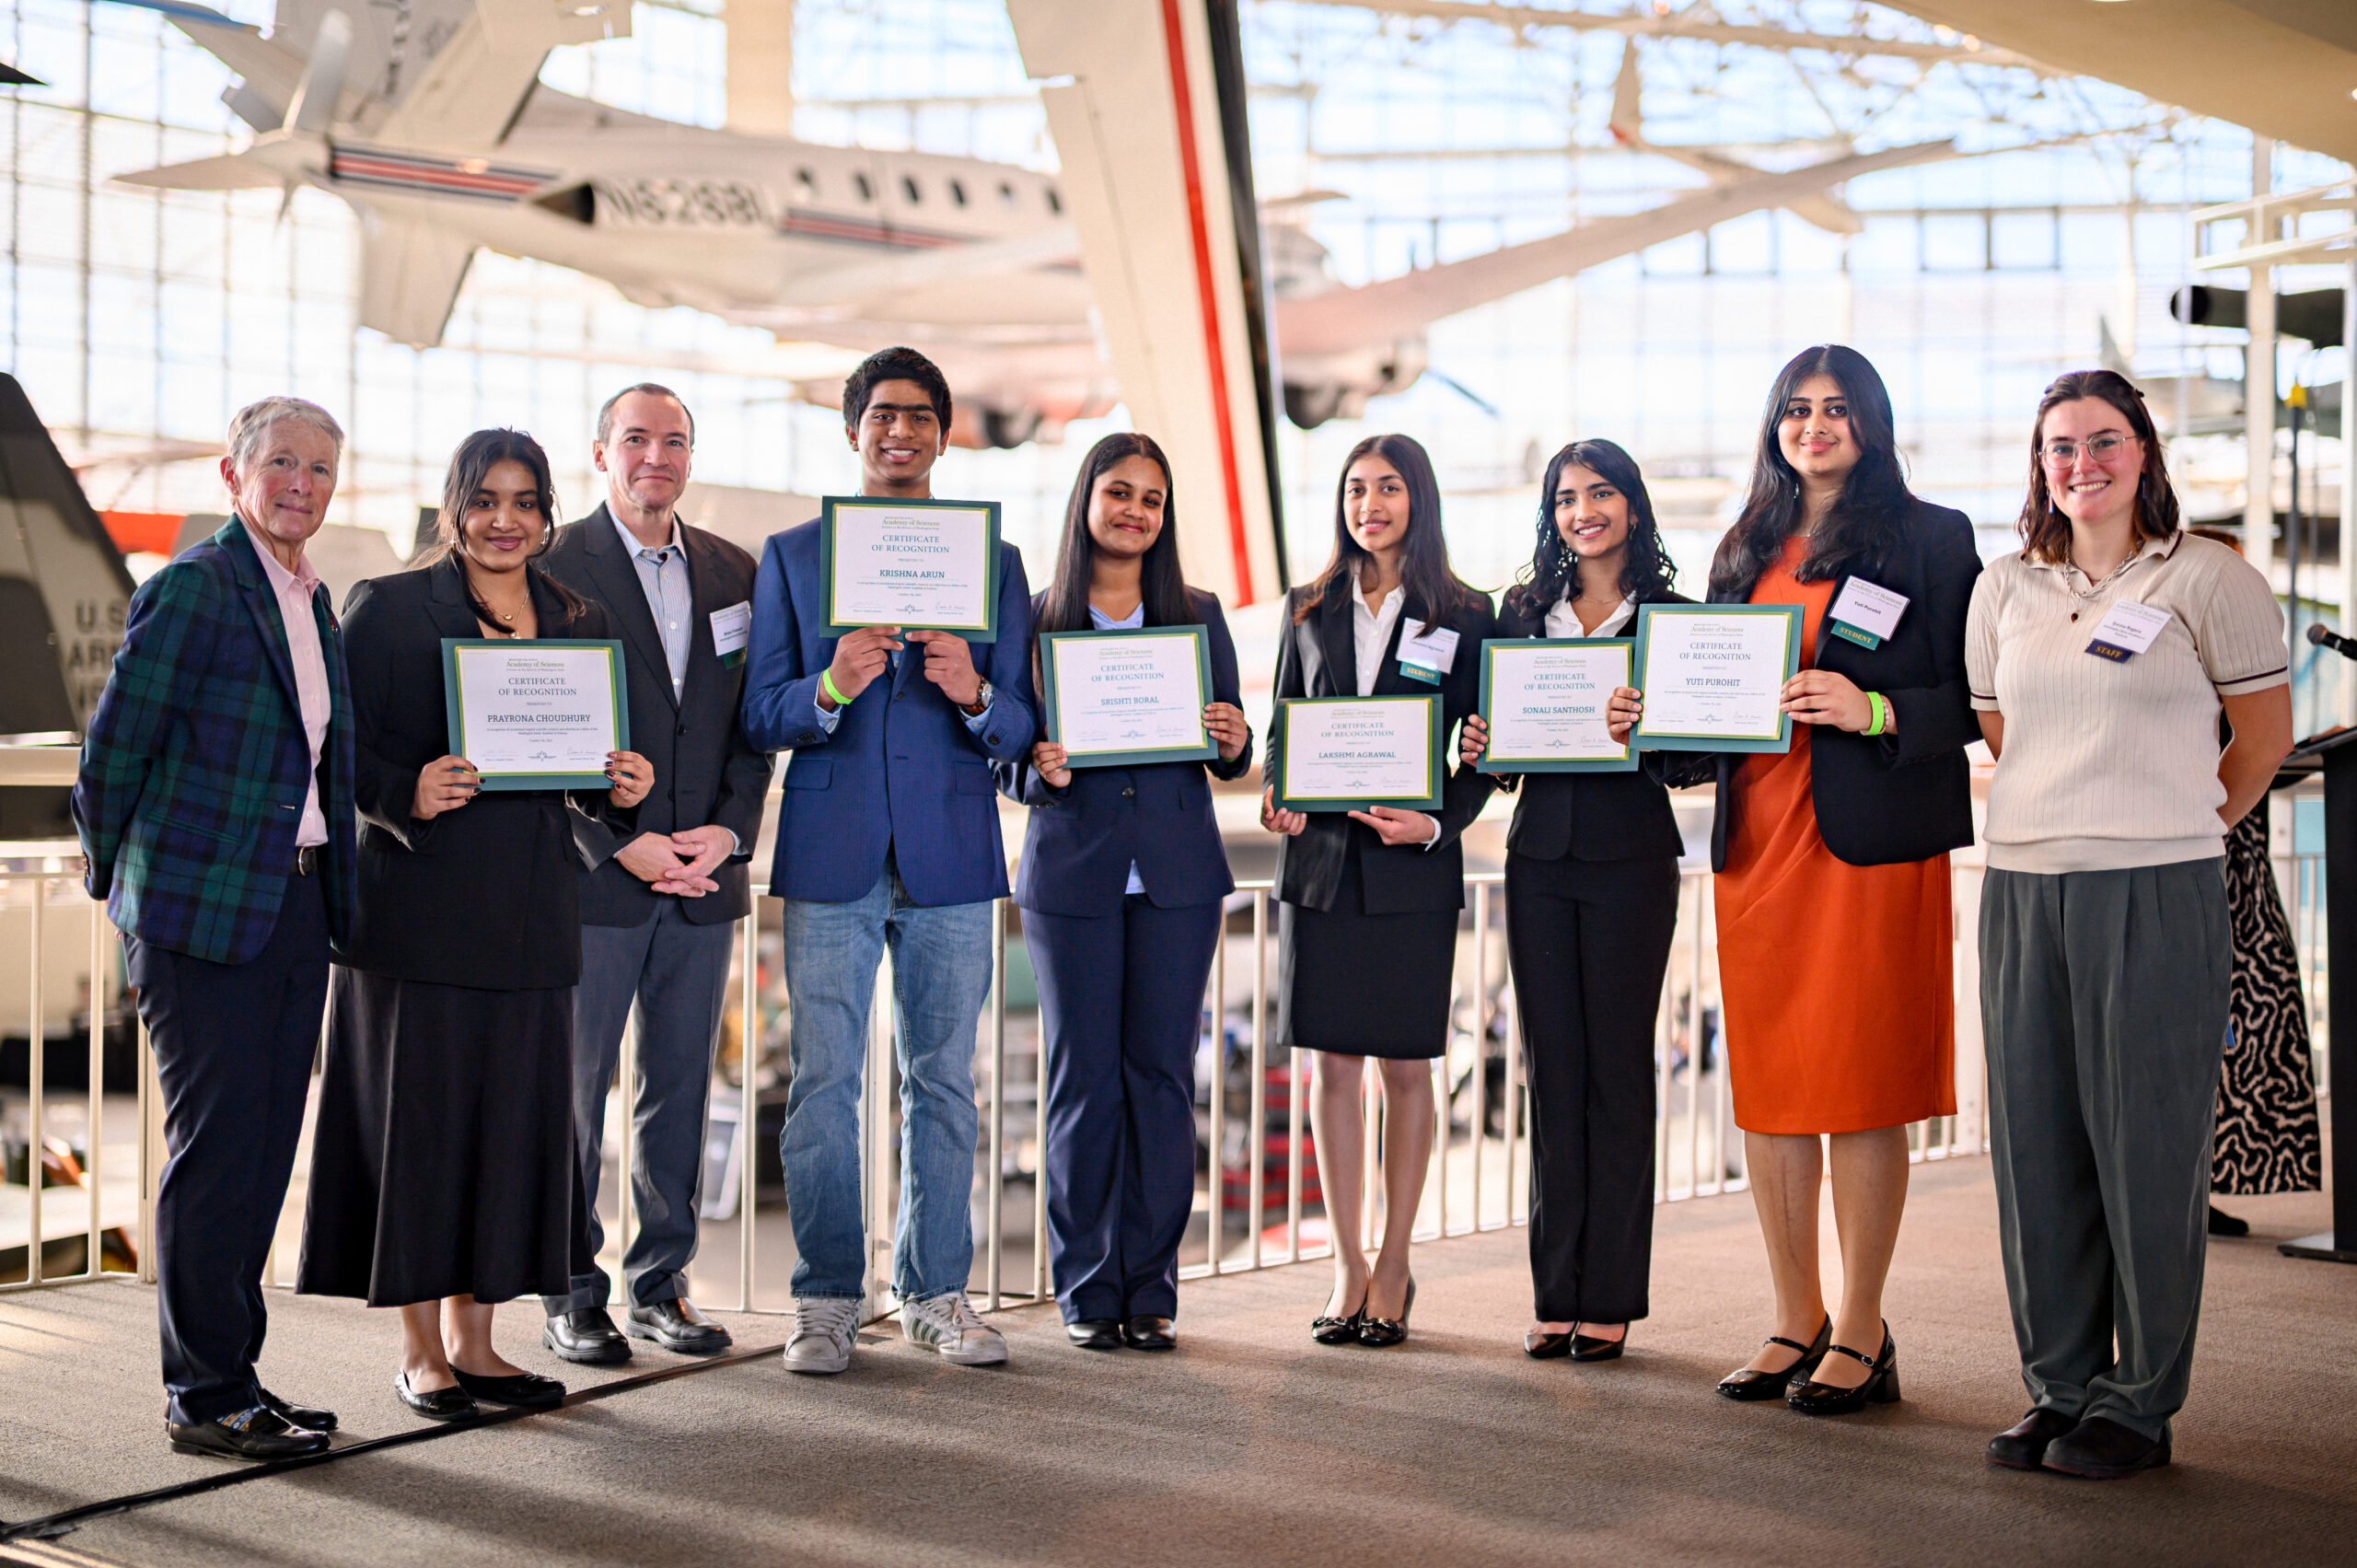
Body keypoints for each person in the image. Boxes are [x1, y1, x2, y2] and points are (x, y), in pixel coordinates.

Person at [1968, 370, 2291, 1479]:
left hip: (2154, 884)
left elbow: (2255, 744)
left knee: (2145, 1148)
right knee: (2036, 1148)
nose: (2080, 464)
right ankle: (2058, 1385)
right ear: (2039, 463)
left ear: (2143, 453)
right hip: (2020, 883)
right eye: (2059, 446)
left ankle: (2140, 1399)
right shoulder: (2004, 583)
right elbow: (2004, 726)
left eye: (2103, 442)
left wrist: (2167, 822)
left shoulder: (2208, 575)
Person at [297, 429, 654, 1421]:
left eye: (526, 501)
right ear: (454, 506)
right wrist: (400, 790)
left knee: (510, 1131)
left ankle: (477, 1340)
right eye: (486, 499)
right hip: (418, 913)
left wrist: (621, 787)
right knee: (422, 1129)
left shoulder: (578, 617)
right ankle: (420, 1352)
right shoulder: (391, 608)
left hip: (532, 914)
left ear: (546, 514)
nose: (506, 520)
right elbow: (334, 752)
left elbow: (582, 776)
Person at [1653, 344, 1983, 1414]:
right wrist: (1651, 722)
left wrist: (1873, 708)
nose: (1814, 425)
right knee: (1775, 1093)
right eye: (1796, 408)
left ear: (1871, 421)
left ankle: (1861, 1325)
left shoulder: (1930, 537)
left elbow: (1974, 698)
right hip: (1758, 848)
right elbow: (1709, 713)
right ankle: (1791, 1315)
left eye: (1837, 408)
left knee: (1859, 1084)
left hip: (1868, 846)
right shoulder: (1742, 545)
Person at [741, 346, 1038, 1374]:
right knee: (824, 1081)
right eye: (881, 415)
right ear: (852, 430)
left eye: (918, 416)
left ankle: (935, 1291)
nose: (899, 431)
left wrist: (973, 691)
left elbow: (1023, 721)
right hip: (832, 847)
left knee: (944, 1081)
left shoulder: (993, 563)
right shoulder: (789, 555)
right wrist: (827, 688)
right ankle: (825, 1296)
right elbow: (760, 709)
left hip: (952, 848)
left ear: (944, 434)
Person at [73, 397, 354, 1460]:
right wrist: (124, 886)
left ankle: (237, 1375)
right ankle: (202, 1394)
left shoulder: (310, 599)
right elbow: (113, 755)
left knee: (262, 1147)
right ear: (232, 475)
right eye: (282, 462)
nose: (302, 482)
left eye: (321, 468)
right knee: (216, 1149)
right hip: (200, 915)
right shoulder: (194, 586)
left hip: (292, 905)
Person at [996, 434, 1252, 1353]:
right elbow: (1006, 757)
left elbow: (1230, 750)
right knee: (1083, 1083)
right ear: (1086, 501)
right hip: (1072, 876)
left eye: (1151, 498)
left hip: (1177, 877)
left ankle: (1150, 1285)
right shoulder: (1034, 616)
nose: (1135, 510)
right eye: (1119, 492)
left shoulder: (1196, 610)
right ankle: (1083, 1282)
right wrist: (1037, 768)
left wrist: (1231, 735)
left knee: (1159, 1081)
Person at [536, 384, 772, 1364]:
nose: (655, 457)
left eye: (673, 441)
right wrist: (613, 839)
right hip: (596, 877)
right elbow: (531, 726)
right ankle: (570, 1288)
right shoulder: (550, 566)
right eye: (635, 439)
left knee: (678, 1085)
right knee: (576, 1090)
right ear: (600, 454)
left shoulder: (733, 571)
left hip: (702, 875)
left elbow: (750, 728)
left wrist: (726, 832)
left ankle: (660, 1282)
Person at [1261, 433, 1493, 1349]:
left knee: (1405, 1067)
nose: (1370, 504)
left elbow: (1482, 749)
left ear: (1417, 498)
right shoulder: (1306, 605)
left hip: (1410, 864)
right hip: (1319, 865)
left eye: (1388, 487)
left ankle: (1395, 1258)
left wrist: (1437, 821)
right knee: (1331, 1067)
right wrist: (1279, 788)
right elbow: (1284, 724)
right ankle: (1346, 1259)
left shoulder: (1464, 611)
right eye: (1356, 488)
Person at [1457, 439, 1684, 1364]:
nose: (1582, 511)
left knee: (1618, 1072)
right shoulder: (1520, 610)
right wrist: (1483, 744)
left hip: (1632, 854)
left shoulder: (1670, 614)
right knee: (1551, 1072)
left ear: (1632, 503)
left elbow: (1699, 757)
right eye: (1564, 498)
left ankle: (1612, 1295)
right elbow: (1508, 758)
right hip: (1541, 857)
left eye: (1600, 494)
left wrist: (1653, 722)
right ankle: (1558, 1290)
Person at [2177, 533, 2323, 1235]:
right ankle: (2179, 1189)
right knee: (2194, 1027)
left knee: (2238, 1029)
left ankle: (2203, 1181)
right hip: (2198, 853)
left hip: (2238, 857)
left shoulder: (2239, 656)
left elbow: (2263, 739)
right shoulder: (2176, 660)